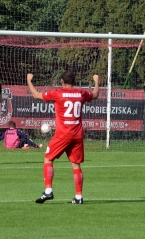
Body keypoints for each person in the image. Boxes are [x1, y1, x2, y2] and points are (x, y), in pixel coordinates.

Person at [27, 71, 99, 204]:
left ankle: (48, 191)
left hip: (63, 134)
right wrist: (96, 81)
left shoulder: (58, 93)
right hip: (77, 135)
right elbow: (95, 95)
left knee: (48, 158)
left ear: (61, 81)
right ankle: (78, 197)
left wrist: (29, 81)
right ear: (75, 81)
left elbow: (36, 95)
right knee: (75, 165)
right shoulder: (81, 93)